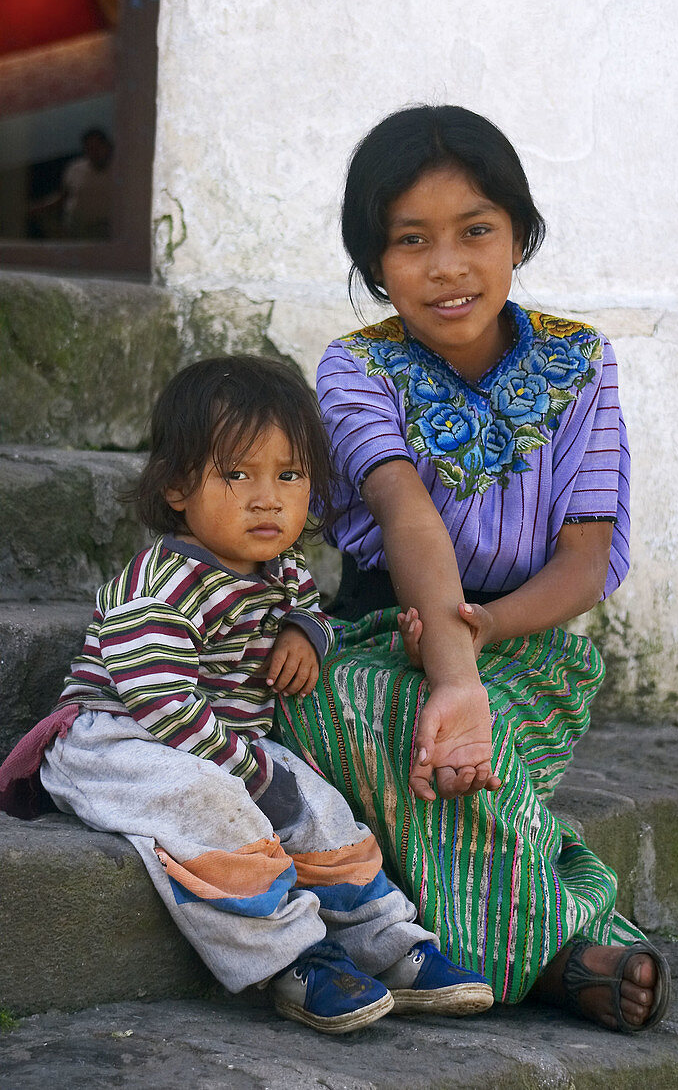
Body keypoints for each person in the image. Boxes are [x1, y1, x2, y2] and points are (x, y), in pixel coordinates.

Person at [275, 105, 671, 1033]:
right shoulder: (355, 368)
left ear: (521, 237)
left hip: (524, 637)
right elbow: (406, 510)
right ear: (375, 264)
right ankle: (563, 949)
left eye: (476, 231)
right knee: (331, 702)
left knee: (436, 738)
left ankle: (531, 951)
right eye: (411, 241)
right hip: (385, 624)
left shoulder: (580, 362)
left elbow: (583, 558)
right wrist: (450, 666)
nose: (447, 267)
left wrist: (483, 636)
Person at [0, 355, 494, 1035]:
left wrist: (302, 633)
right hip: (118, 739)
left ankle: (388, 946)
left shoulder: (280, 568)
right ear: (178, 486)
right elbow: (166, 707)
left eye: (289, 475)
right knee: (215, 814)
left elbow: (311, 608)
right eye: (238, 474)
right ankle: (292, 962)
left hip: (227, 740)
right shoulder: (158, 586)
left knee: (322, 809)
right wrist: (256, 775)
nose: (269, 497)